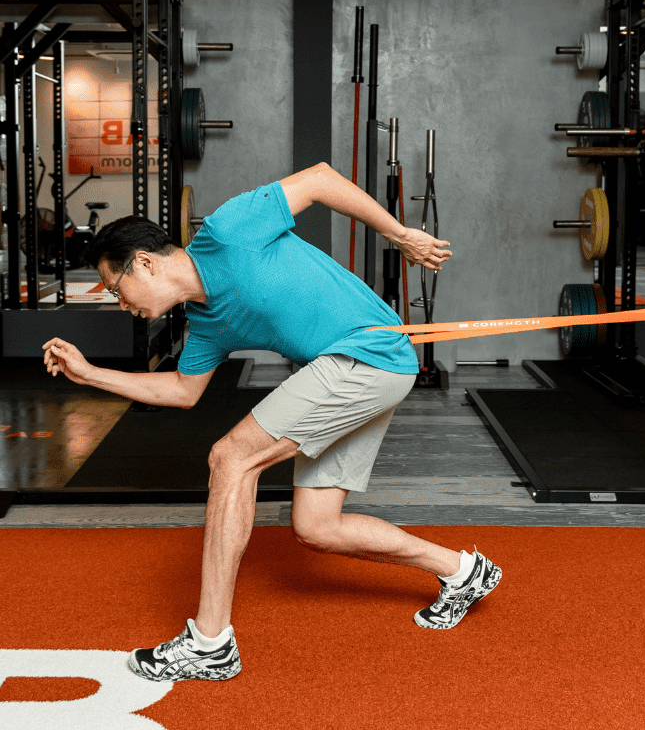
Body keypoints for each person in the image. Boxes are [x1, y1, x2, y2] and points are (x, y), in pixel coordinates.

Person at [42, 162, 501, 683]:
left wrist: (401, 236)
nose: (121, 304)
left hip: (366, 356)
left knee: (231, 458)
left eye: (115, 288)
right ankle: (463, 571)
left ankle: (209, 644)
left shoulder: (228, 230)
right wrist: (91, 375)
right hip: (369, 367)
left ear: (144, 264)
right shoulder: (207, 322)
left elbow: (322, 180)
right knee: (317, 527)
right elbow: (183, 391)